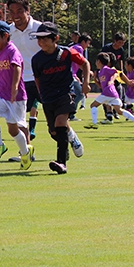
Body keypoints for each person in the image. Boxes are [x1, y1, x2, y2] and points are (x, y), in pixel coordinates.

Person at [31, 22, 90, 175]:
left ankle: (61, 163)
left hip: (66, 93)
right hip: (48, 97)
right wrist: (41, 94)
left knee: (60, 122)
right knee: (54, 132)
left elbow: (85, 64)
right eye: (39, 39)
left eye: (45, 38)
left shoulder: (66, 53)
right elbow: (37, 78)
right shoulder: (36, 59)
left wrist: (85, 83)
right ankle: (71, 137)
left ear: (55, 38)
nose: (41, 42)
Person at [0, 20, 34, 170]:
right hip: (0, 93)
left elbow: (17, 68)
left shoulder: (12, 50)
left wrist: (15, 87)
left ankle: (25, 153)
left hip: (16, 97)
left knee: (13, 129)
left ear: (5, 35)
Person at [7, 0, 42, 148]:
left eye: (19, 11)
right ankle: (26, 152)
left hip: (42, 79)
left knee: (55, 117)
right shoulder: (8, 32)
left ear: (28, 10)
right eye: (12, 12)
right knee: (18, 119)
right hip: (20, 81)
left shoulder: (40, 28)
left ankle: (69, 137)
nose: (15, 15)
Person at [85, 53, 134, 131]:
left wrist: (111, 80)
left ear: (99, 61)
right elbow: (101, 86)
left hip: (108, 92)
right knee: (119, 111)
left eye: (96, 61)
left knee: (93, 105)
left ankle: (94, 123)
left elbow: (115, 72)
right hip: (112, 94)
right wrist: (95, 80)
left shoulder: (105, 68)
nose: (95, 63)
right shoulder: (100, 72)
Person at [101, 32, 127, 121]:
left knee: (118, 91)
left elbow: (121, 60)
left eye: (122, 43)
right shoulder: (107, 48)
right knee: (106, 92)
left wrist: (121, 70)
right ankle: (108, 113)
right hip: (106, 73)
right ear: (115, 41)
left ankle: (116, 110)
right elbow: (101, 59)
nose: (121, 45)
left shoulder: (121, 50)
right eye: (119, 42)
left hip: (115, 73)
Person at [69, 33, 92, 119]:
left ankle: (69, 113)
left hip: (71, 74)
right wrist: (88, 71)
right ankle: (70, 113)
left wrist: (76, 76)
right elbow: (80, 62)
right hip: (70, 74)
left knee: (75, 94)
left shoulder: (74, 47)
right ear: (83, 42)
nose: (88, 46)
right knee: (80, 93)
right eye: (87, 43)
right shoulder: (79, 48)